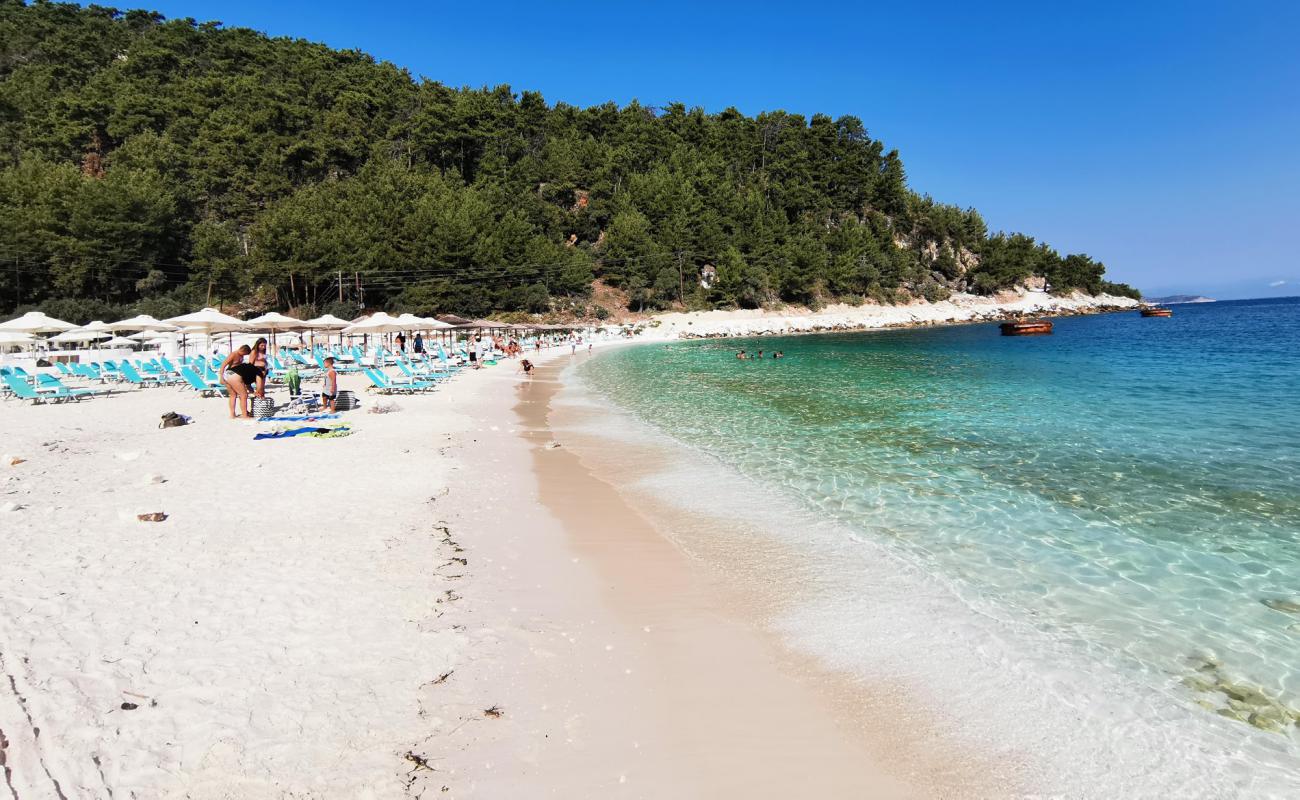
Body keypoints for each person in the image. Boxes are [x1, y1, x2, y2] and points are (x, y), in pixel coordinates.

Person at [219, 345, 256, 419]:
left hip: (231, 375)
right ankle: (244, 415)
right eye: (245, 354)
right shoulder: (233, 354)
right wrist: (221, 377)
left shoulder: (240, 355)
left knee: (233, 395)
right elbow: (223, 365)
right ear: (243, 350)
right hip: (231, 375)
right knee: (243, 395)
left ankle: (233, 415)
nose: (244, 355)